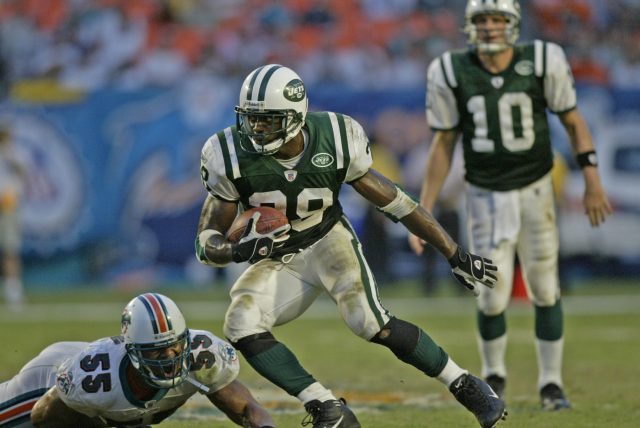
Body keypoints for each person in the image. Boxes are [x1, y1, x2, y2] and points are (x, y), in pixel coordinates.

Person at [195, 63, 506, 428]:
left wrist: (454, 253)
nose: (258, 129)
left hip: (327, 238)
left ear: (295, 117)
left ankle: (466, 385)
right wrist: (238, 251)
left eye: (269, 120)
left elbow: (397, 202)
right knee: (240, 323)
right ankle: (328, 408)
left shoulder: (336, 137)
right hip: (278, 257)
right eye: (252, 119)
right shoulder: (228, 153)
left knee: (368, 321)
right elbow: (206, 240)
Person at [408, 0, 613, 411]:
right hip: (483, 194)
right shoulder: (451, 69)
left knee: (545, 286)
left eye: (497, 19)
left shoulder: (541, 59)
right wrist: (423, 209)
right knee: (490, 293)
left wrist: (592, 178)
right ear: (470, 26)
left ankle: (552, 384)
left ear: (513, 24)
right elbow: (443, 142)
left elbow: (572, 119)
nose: (488, 27)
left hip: (536, 189)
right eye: (481, 20)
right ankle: (495, 376)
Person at [0, 293, 275, 428]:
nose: (169, 356)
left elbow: (248, 409)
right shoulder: (94, 383)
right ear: (133, 351)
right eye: (155, 351)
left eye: (174, 345)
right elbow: (43, 417)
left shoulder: (202, 357)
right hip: (50, 380)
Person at [0, 125, 27, 309]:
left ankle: (13, 291)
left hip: (8, 205)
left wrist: (7, 153)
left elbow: (22, 171)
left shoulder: (13, 153)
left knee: (10, 249)